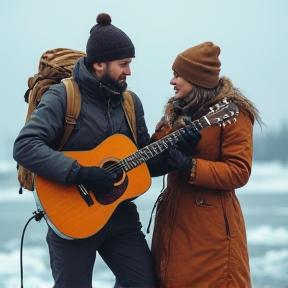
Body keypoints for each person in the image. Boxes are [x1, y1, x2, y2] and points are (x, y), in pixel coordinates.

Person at [13, 13, 202, 288]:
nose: (129, 72)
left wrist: (174, 154)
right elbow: (25, 146)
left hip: (120, 215)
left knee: (143, 283)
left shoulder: (129, 102)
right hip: (72, 217)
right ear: (99, 63)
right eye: (123, 64)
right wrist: (82, 173)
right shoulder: (63, 97)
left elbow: (141, 161)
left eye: (130, 64)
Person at [150, 42, 262, 288]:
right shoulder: (175, 113)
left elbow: (239, 171)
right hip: (173, 221)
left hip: (210, 234)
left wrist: (190, 165)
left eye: (178, 75)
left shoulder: (235, 114)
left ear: (196, 79)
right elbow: (152, 157)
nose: (172, 81)